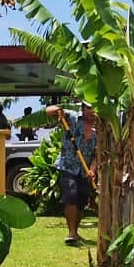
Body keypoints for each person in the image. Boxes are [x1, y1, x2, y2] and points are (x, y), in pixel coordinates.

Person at [46, 102, 97, 246]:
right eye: (88, 108)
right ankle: (72, 233)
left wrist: (92, 169)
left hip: (85, 170)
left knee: (81, 200)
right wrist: (58, 109)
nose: (91, 111)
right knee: (71, 195)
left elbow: (97, 154)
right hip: (68, 165)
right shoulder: (73, 118)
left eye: (93, 108)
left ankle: (75, 230)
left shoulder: (101, 127)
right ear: (83, 108)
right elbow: (48, 111)